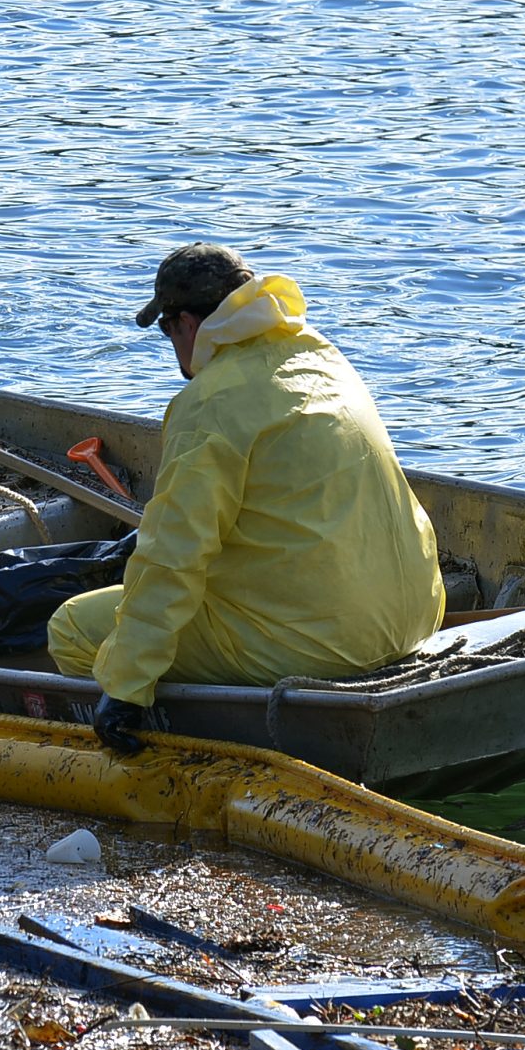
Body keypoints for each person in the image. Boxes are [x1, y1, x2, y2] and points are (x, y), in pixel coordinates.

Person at [47, 243, 444, 753]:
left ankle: (187, 748)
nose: (172, 345)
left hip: (320, 647)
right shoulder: (323, 358)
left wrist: (125, 684)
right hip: (414, 614)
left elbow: (172, 558)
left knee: (74, 628)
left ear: (188, 324)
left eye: (168, 330)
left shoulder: (209, 403)